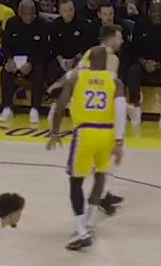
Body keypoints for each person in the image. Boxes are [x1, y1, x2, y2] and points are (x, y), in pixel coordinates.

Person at [45, 29, 127, 251]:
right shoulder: (115, 81)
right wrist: (119, 142)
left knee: (76, 182)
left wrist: (54, 133)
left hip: (85, 133)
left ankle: (81, 230)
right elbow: (120, 111)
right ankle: (90, 221)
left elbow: (60, 107)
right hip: (107, 134)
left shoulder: (77, 76)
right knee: (100, 177)